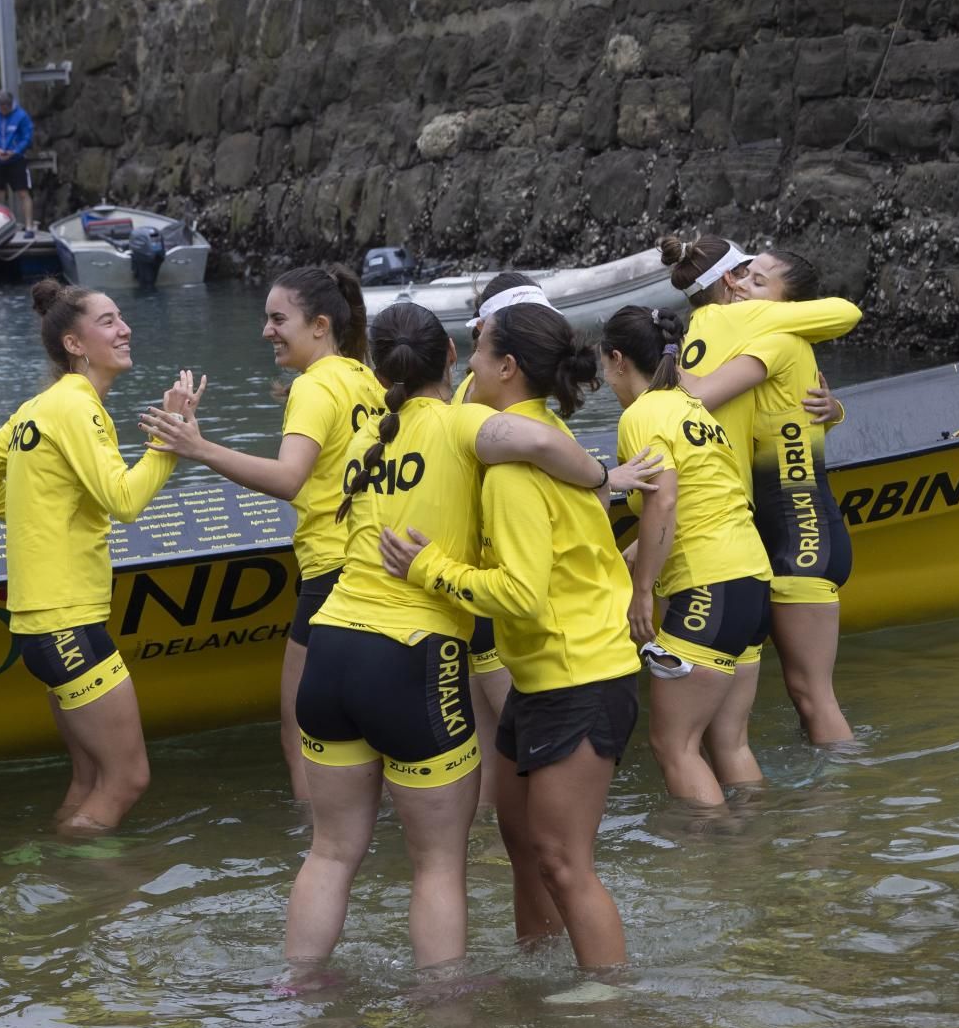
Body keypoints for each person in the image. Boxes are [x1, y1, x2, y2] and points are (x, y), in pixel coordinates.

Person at [144, 301, 649, 971]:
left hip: (331, 648)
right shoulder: (465, 427)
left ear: (379, 369)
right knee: (438, 864)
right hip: (414, 654)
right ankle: (445, 1013)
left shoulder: (366, 441)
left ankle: (300, 996)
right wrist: (603, 478)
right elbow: (535, 442)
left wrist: (201, 448)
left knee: (329, 852)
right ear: (448, 358)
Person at [381, 302, 641, 970]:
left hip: (580, 676)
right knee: (524, 847)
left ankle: (608, 1003)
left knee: (562, 860)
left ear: (508, 367)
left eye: (479, 350)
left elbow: (520, 595)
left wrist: (429, 568)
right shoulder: (537, 434)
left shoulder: (511, 472)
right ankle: (539, 973)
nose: (467, 364)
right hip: (540, 678)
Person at [0, 279, 192, 833]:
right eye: (108, 321)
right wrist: (171, 439)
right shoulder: (77, 406)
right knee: (127, 779)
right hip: (66, 622)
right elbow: (125, 501)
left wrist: (43, 520)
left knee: (89, 780)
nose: (124, 328)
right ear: (74, 344)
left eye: (121, 317)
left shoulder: (41, 406)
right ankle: (76, 875)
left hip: (42, 623)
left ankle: (56, 870)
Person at [141, 266, 383, 803]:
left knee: (302, 734)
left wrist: (199, 448)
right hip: (378, 567)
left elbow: (289, 478)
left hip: (330, 577)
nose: (266, 331)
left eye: (278, 319)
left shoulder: (314, 386)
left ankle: (318, 840)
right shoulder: (369, 380)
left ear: (320, 325)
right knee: (375, 732)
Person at [667, 246, 864, 748]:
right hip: (782, 532)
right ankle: (820, 786)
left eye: (756, 282)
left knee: (811, 694)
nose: (739, 286)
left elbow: (697, 398)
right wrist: (835, 410)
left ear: (785, 306)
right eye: (741, 277)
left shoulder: (775, 341)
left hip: (803, 536)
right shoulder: (762, 341)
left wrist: (652, 361)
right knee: (805, 697)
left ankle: (844, 790)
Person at [599, 306, 774, 802]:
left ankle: (706, 851)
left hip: (706, 588)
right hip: (751, 583)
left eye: (604, 366)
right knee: (729, 742)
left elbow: (666, 499)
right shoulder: (693, 409)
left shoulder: (641, 414)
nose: (606, 379)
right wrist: (635, 552)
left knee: (674, 746)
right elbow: (705, 498)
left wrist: (641, 593)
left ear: (618, 360)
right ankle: (756, 840)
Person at [458, 271, 545, 808]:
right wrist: (602, 477)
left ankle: (490, 846)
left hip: (476, 588)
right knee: (527, 748)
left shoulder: (475, 392)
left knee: (493, 751)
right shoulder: (486, 401)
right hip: (494, 590)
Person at [0, 90, 35, 236]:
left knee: (23, 192)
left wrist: (16, 151)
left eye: (6, 108)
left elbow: (27, 137)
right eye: (1, 108)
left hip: (16, 159)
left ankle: (29, 227)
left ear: (10, 105)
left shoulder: (21, 116)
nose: (3, 111)